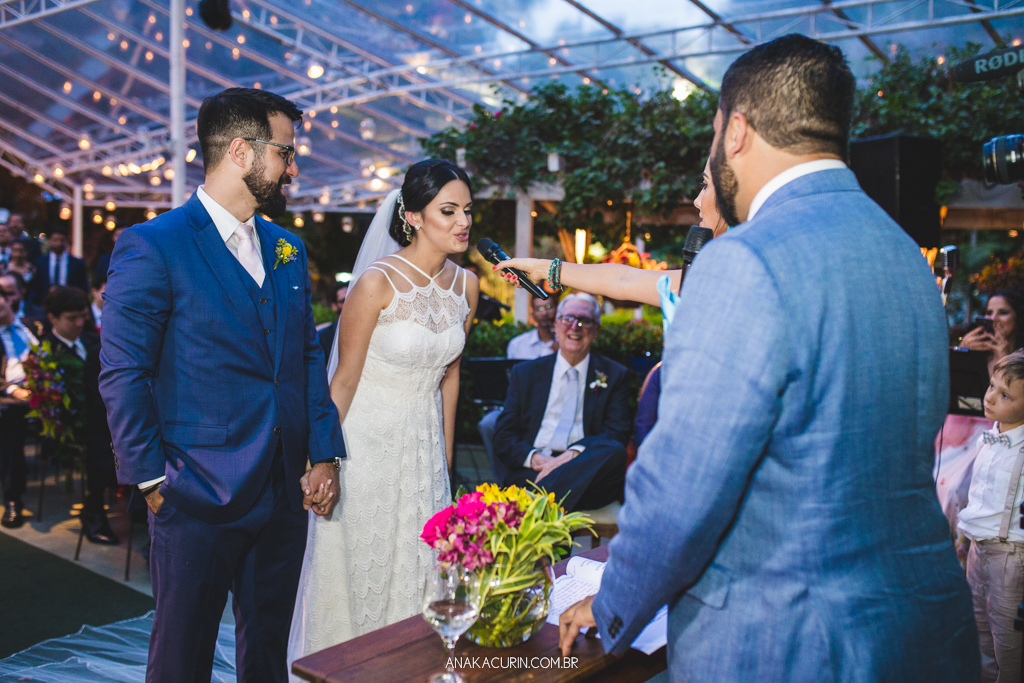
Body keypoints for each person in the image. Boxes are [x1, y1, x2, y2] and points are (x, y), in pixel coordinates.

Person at [556, 34, 978, 681]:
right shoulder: (907, 258)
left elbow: (682, 486)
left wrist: (613, 604)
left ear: (737, 131)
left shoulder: (742, 261)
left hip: (790, 645)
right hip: (921, 629)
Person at [100, 87, 345, 683]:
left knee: (267, 656)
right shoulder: (152, 244)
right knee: (182, 659)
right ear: (240, 150)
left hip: (284, 494)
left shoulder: (289, 250)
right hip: (194, 494)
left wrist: (324, 452)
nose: (294, 167)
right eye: (285, 152)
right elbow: (123, 371)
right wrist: (152, 480)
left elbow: (307, 358)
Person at [288, 159, 480, 668]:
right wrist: (321, 457)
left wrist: (444, 457)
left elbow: (450, 378)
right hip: (364, 447)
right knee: (359, 573)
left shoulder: (468, 286)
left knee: (421, 574)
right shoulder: (376, 282)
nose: (462, 221)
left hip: (423, 452)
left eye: (467, 210)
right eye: (448, 210)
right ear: (413, 216)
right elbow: (343, 379)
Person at [492, 153, 729, 306]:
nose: (697, 200)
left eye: (705, 185)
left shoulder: (732, 275)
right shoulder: (714, 271)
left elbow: (624, 280)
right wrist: (541, 268)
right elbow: (623, 279)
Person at [492, 292, 631, 512]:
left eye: (585, 320)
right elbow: (504, 435)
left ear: (596, 331)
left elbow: (617, 433)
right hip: (536, 470)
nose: (575, 326)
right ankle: (549, 507)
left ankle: (538, 506)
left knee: (614, 451)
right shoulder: (526, 374)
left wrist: (571, 456)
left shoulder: (614, 375)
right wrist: (537, 459)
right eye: (567, 318)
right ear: (556, 325)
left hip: (587, 472)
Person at [957, 350, 1024, 683]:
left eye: (1005, 394)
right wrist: (964, 539)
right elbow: (978, 498)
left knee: (1008, 642)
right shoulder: (990, 436)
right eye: (991, 386)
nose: (990, 398)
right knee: (979, 630)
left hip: (1011, 556)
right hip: (978, 550)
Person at [476, 292, 560, 461]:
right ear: (533, 314)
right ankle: (502, 482)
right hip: (521, 407)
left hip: (554, 408)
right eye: (539, 308)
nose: (545, 312)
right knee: (488, 424)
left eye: (549, 307)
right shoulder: (518, 344)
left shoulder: (567, 344)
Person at [0, 282, 35, 528]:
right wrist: (14, 389)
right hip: (9, 396)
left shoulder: (33, 326)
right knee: (11, 420)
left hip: (40, 392)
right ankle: (13, 499)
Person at [31, 224, 88, 304]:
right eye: (55, 240)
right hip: (45, 304)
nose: (58, 244)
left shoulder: (77, 263)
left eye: (62, 240)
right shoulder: (40, 262)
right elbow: (36, 287)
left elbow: (83, 287)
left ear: (66, 241)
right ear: (49, 241)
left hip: (70, 303)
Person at [317, 281, 348, 357]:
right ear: (334, 306)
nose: (348, 304)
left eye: (352, 299)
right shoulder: (323, 337)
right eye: (343, 301)